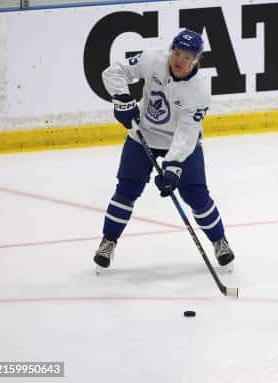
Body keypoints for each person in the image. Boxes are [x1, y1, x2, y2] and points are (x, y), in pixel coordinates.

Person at [93, 29, 235, 272]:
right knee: (126, 190)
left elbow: (187, 132)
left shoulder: (199, 91)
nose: (179, 61)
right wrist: (122, 99)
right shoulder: (152, 59)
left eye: (187, 57)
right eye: (177, 53)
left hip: (179, 143)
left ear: (197, 60)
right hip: (142, 134)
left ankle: (219, 241)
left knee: (196, 195)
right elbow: (114, 72)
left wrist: (173, 166)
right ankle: (108, 241)